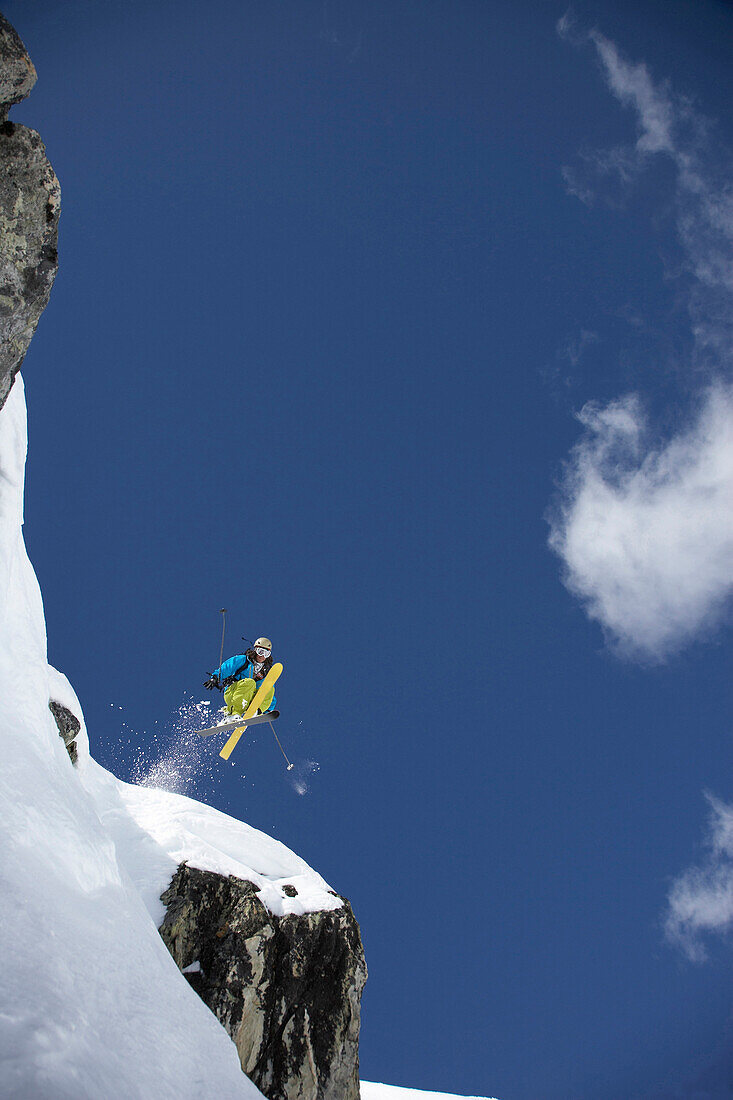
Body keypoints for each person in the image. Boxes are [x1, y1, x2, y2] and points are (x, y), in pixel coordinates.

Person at [204, 637, 277, 716]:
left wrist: (268, 710)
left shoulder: (265, 671)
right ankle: (234, 712)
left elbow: (268, 693)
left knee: (269, 688)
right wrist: (215, 678)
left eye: (266, 654)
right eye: (260, 652)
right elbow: (227, 667)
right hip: (233, 692)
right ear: (255, 650)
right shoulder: (244, 660)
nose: (262, 656)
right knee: (250, 682)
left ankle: (256, 711)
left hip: (248, 697)